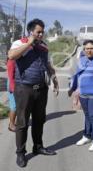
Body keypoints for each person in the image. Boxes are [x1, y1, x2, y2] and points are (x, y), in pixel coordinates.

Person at [8, 18, 59, 167]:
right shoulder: (20, 43)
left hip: (41, 89)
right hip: (24, 88)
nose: (41, 34)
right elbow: (11, 55)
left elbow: (48, 65)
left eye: (42, 32)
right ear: (30, 32)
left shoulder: (44, 46)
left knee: (39, 120)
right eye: (38, 32)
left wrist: (55, 80)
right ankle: (20, 153)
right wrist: (29, 43)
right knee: (22, 122)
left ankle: (38, 146)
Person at [68, 40, 93, 152]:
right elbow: (76, 75)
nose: (89, 50)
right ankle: (86, 136)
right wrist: (72, 88)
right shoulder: (81, 60)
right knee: (87, 115)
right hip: (83, 93)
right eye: (87, 48)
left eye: (91, 48)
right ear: (84, 50)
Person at [6, 59, 16, 132]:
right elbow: (10, 75)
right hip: (12, 84)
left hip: (18, 84)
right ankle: (11, 125)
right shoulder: (12, 60)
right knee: (14, 106)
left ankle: (15, 123)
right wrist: (12, 87)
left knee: (18, 105)